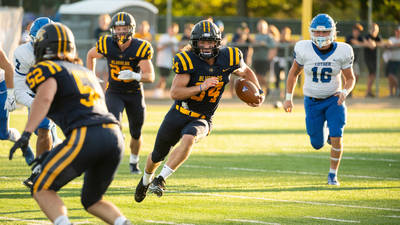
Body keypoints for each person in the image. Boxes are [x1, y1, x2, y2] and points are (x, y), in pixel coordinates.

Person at [8, 22, 132, 225]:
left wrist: (26, 134)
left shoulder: (47, 68)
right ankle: (122, 222)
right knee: (92, 200)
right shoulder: (84, 71)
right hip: (114, 135)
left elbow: (44, 99)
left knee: (41, 187)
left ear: (43, 47)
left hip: (87, 134)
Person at [134, 20, 265, 202]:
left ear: (217, 42)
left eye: (210, 42)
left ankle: (161, 179)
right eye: (202, 43)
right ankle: (146, 180)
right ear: (195, 43)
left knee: (189, 138)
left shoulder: (229, 57)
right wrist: (201, 87)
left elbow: (246, 71)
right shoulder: (188, 60)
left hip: (203, 117)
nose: (205, 46)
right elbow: (175, 93)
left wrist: (258, 92)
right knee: (156, 156)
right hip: (179, 112)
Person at [283, 14, 355, 186]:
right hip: (312, 101)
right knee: (316, 144)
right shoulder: (303, 48)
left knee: (337, 135)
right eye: (317, 32)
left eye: (325, 33)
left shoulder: (343, 50)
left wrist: (345, 91)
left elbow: (350, 78)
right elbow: (293, 73)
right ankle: (325, 132)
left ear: (333, 33)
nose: (321, 36)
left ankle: (332, 174)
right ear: (311, 33)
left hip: (334, 99)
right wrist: (288, 98)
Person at [86, 12, 155, 174]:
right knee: (113, 126)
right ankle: (112, 157)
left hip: (134, 92)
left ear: (131, 29)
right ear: (113, 29)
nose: (121, 32)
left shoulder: (140, 47)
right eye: (118, 28)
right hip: (114, 91)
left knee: (136, 132)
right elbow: (90, 55)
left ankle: (133, 162)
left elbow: (150, 76)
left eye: (124, 28)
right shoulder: (107, 43)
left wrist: (135, 75)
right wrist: (91, 77)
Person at [13, 17, 62, 188]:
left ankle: (40, 172)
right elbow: (20, 89)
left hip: (60, 91)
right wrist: (36, 102)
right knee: (44, 131)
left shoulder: (62, 51)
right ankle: (54, 148)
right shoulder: (23, 53)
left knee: (44, 130)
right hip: (36, 93)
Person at [1, 46, 34, 165]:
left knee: (3, 134)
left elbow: (8, 68)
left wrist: (10, 96)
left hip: (1, 87)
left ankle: (23, 143)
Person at [250, 19, 276, 95]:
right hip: (256, 59)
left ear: (266, 27)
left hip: (264, 59)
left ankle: (267, 89)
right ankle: (261, 91)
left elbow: (273, 45)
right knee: (257, 76)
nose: (261, 28)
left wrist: (265, 44)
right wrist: (256, 44)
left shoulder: (268, 36)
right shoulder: (256, 36)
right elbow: (252, 46)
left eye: (262, 26)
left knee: (261, 76)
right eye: (259, 26)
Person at [153, 23, 179, 98]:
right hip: (162, 61)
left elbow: (175, 52)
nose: (173, 32)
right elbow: (158, 49)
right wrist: (167, 44)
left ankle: (159, 92)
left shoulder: (175, 40)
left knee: (164, 78)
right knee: (162, 77)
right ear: (169, 30)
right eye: (172, 30)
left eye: (175, 31)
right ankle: (157, 92)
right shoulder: (163, 37)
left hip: (169, 62)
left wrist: (172, 46)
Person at [363, 23, 384, 97]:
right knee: (371, 74)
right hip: (368, 58)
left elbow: (382, 44)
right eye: (373, 29)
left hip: (375, 59)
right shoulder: (367, 36)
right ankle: (368, 92)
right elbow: (371, 46)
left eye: (376, 29)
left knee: (373, 74)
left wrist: (375, 43)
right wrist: (373, 44)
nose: (374, 31)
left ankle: (369, 91)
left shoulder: (378, 37)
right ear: (370, 29)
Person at [345, 23, 365, 97]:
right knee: (347, 77)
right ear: (353, 31)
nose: (357, 33)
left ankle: (350, 90)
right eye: (356, 31)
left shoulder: (360, 38)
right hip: (347, 61)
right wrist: (361, 43)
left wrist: (361, 43)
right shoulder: (349, 37)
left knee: (356, 76)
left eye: (359, 31)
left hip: (355, 61)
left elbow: (365, 43)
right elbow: (353, 42)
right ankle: (347, 92)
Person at [93, 14, 112, 90]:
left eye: (105, 20)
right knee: (97, 73)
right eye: (102, 21)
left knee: (106, 75)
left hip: (108, 57)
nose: (104, 22)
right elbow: (96, 42)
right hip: (100, 56)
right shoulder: (97, 31)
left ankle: (105, 90)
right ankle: (97, 89)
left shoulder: (110, 31)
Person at [385, 26, 400, 97]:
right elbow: (388, 43)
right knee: (390, 76)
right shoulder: (392, 38)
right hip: (391, 60)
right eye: (396, 31)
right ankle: (391, 93)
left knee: (393, 76)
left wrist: (392, 46)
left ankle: (397, 89)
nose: (397, 32)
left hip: (398, 61)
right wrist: (393, 45)